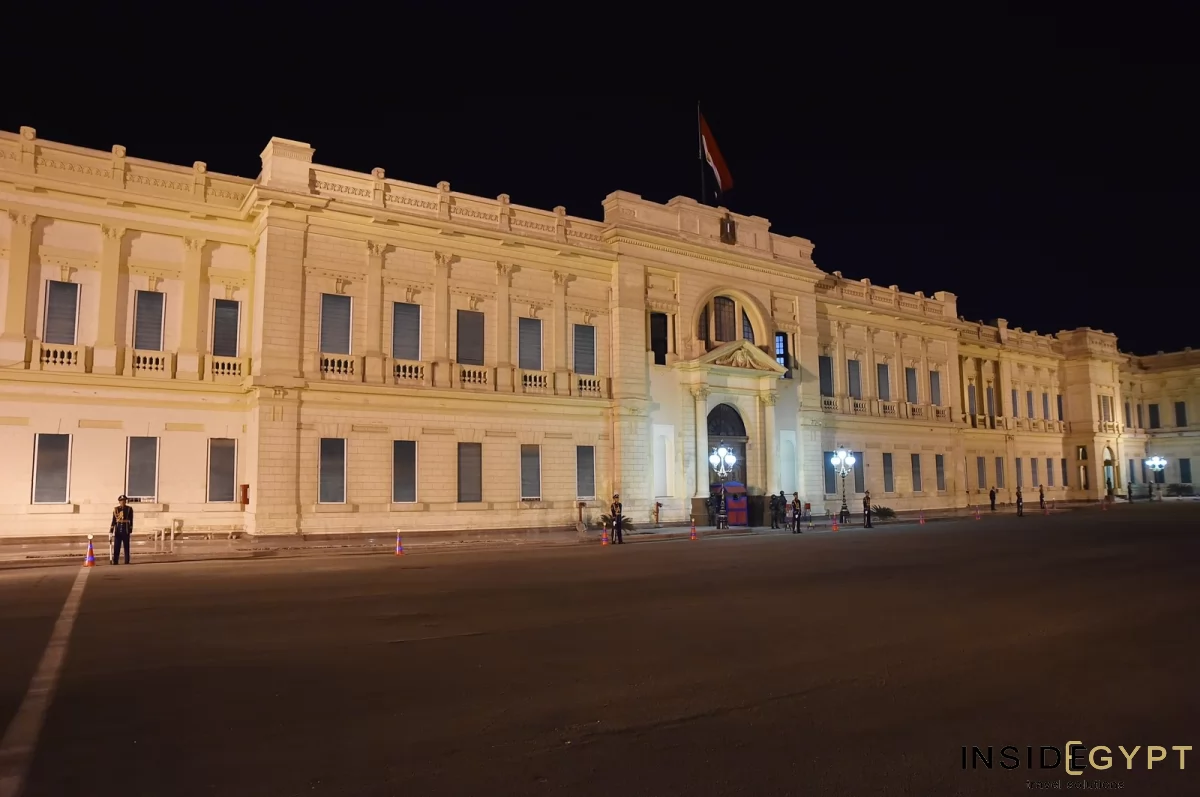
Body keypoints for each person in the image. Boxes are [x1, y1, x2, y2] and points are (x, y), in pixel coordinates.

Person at [110, 495, 134, 565]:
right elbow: (114, 521)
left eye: (124, 501)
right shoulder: (116, 509)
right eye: (121, 501)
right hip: (118, 530)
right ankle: (115, 561)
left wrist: (130, 529)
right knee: (116, 546)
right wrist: (111, 531)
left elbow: (131, 520)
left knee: (126, 546)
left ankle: (127, 561)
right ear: (119, 502)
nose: (123, 502)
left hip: (125, 529)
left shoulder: (129, 509)